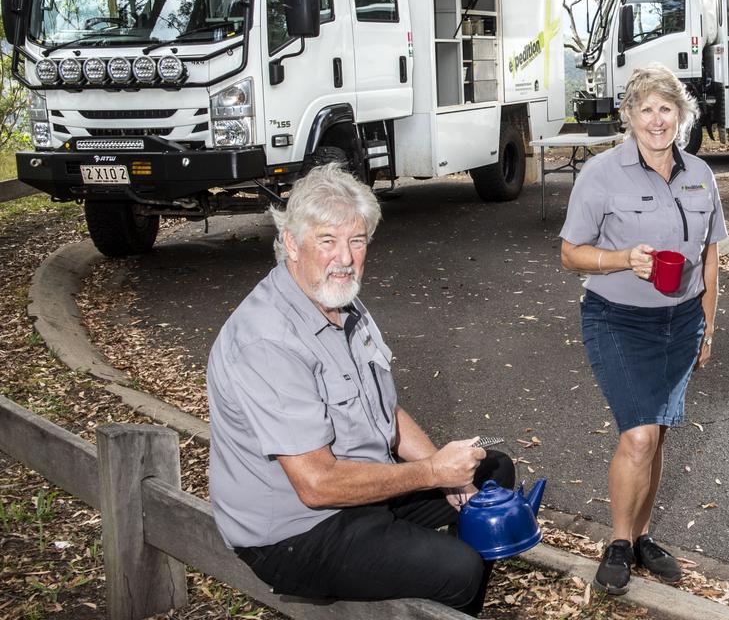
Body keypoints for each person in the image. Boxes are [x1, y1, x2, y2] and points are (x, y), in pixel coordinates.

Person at [206, 163, 514, 616]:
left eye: (356, 240)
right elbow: (316, 485)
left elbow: (385, 411)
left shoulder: (338, 299)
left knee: (492, 475)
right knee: (460, 569)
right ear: (291, 243)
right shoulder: (268, 340)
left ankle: (424, 594)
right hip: (296, 531)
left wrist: (443, 469)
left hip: (362, 490)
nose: (345, 258)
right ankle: (439, 588)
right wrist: (432, 474)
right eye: (327, 241)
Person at [559, 63, 728, 594]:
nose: (657, 120)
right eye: (646, 109)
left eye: (667, 109)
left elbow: (710, 254)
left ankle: (642, 536)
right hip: (616, 319)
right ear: (629, 115)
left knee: (656, 435)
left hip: (680, 323)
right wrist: (621, 259)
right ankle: (617, 541)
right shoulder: (601, 174)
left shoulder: (700, 174)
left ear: (682, 115)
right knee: (638, 435)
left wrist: (708, 323)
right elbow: (570, 254)